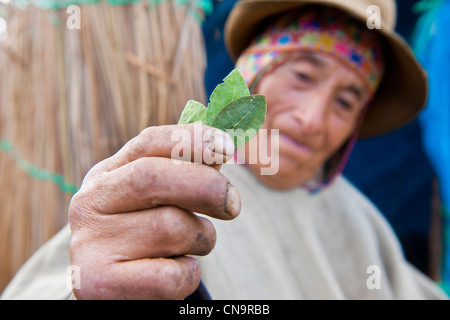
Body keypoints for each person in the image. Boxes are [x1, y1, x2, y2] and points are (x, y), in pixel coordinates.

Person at [1, 0, 448, 300]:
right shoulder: (171, 183)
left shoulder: (362, 224)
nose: (312, 118)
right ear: (252, 75)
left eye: (346, 101)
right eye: (302, 77)